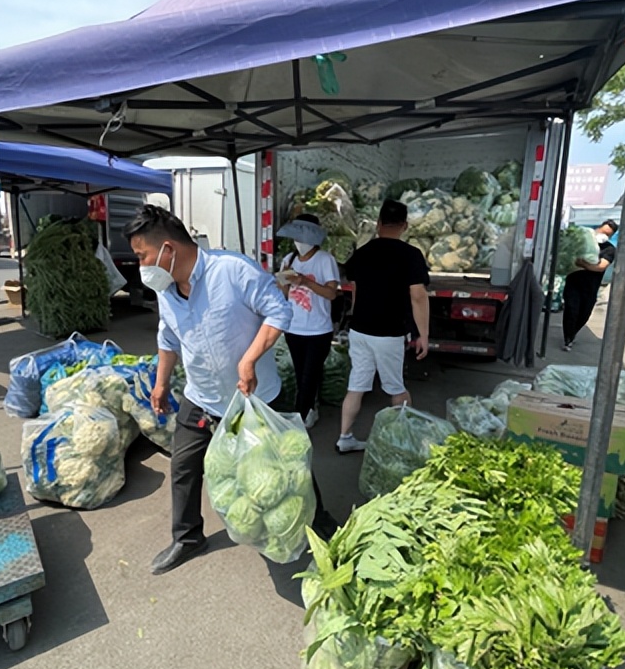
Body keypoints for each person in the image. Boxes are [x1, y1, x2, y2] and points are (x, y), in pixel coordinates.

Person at [124, 206, 334, 575]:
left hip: (255, 396)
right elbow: (168, 337)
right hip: (202, 396)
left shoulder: (234, 271)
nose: (141, 265)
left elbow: (278, 312)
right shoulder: (166, 288)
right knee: (184, 468)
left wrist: (250, 358)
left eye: (142, 256)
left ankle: (321, 524)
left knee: (288, 465)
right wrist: (159, 384)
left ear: (168, 250)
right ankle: (187, 538)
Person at [337, 198, 430, 454]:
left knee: (356, 386)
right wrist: (424, 334)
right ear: (405, 225)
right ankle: (404, 441)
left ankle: (344, 437)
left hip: (360, 330)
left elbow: (355, 291)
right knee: (396, 388)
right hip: (389, 333)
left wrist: (357, 317)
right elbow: (418, 296)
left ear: (378, 224)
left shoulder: (362, 253)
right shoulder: (411, 255)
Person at [276, 214, 341, 429]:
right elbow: (284, 293)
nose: (300, 242)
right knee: (300, 372)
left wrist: (305, 282)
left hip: (318, 330)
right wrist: (285, 281)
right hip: (294, 328)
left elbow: (331, 293)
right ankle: (309, 408)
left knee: (309, 375)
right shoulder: (289, 259)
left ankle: (301, 415)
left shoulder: (325, 260)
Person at [562, 219, 618, 351]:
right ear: (598, 228)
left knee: (584, 314)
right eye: (603, 232)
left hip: (590, 287)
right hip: (574, 282)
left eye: (608, 234)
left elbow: (601, 267)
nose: (603, 236)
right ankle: (568, 338)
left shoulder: (609, 249)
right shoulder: (583, 242)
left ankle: (573, 333)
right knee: (571, 309)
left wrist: (584, 265)